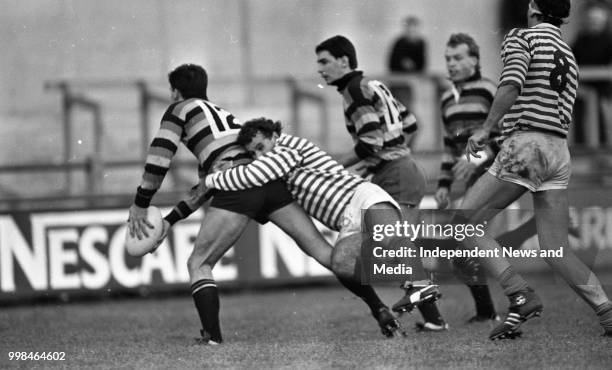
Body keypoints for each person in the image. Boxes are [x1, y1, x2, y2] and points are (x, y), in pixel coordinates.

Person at [126, 64, 400, 344]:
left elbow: (159, 157)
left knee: (199, 262)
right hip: (271, 184)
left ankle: (212, 337)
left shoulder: (178, 110)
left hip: (240, 186)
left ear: (175, 92)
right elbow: (206, 185)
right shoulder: (223, 119)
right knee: (326, 255)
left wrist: (140, 203)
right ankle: (378, 307)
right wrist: (169, 221)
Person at [202, 117, 447, 332]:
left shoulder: (288, 147)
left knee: (388, 236)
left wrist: (212, 179)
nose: (258, 156)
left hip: (359, 195)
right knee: (341, 262)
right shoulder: (276, 164)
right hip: (346, 221)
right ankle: (417, 273)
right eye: (253, 153)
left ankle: (420, 282)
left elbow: (255, 174)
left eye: (260, 147)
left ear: (274, 136)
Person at [460, 0, 612, 339]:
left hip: (527, 145)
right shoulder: (569, 53)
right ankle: (608, 312)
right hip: (558, 151)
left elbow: (512, 83)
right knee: (557, 248)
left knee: (462, 223)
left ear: (533, 7)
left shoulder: (522, 37)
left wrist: (487, 128)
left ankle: (519, 294)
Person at [315, 35, 446, 331]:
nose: (320, 70)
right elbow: (411, 124)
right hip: (399, 171)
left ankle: (436, 305)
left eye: (324, 61)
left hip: (397, 174)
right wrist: (394, 155)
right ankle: (435, 320)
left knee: (394, 245)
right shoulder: (374, 85)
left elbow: (371, 139)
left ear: (344, 61)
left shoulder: (353, 90)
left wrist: (332, 167)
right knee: (397, 245)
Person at [571, 2, 612, 145]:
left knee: (600, 116)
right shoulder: (581, 39)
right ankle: (580, 144)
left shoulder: (608, 40)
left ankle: (601, 144)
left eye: (596, 21)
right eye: (591, 21)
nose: (593, 24)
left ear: (603, 22)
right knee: (578, 113)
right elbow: (571, 58)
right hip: (582, 86)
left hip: (602, 87)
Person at [387, 16, 427, 108]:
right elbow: (392, 64)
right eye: (409, 28)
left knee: (407, 107)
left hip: (412, 82)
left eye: (414, 29)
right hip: (399, 82)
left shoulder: (421, 43)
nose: (411, 31)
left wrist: (412, 67)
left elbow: (422, 64)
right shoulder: (400, 42)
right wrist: (404, 64)